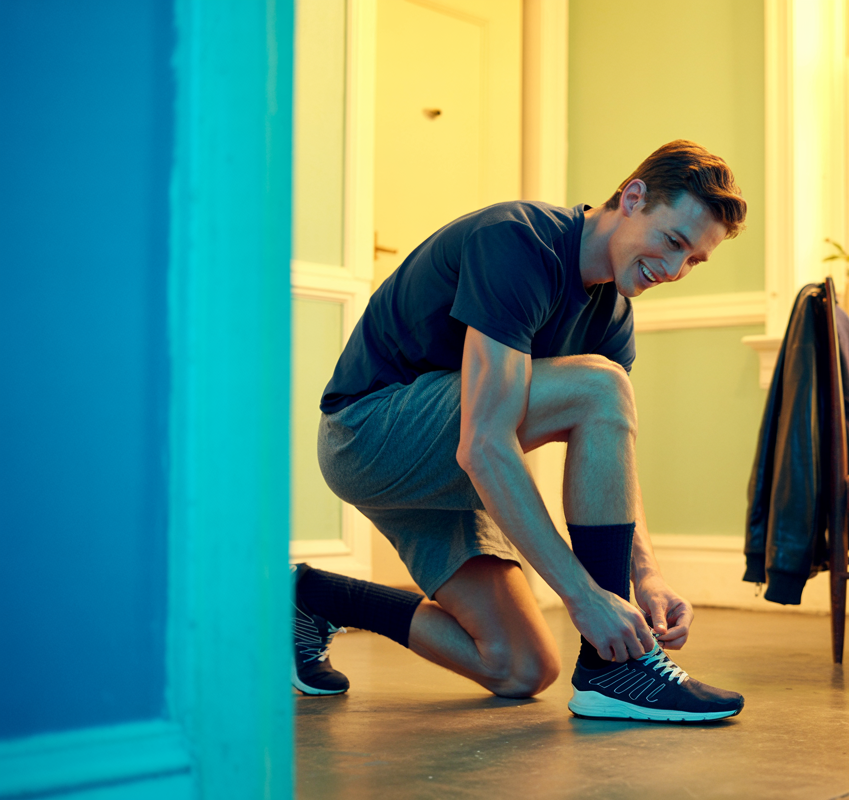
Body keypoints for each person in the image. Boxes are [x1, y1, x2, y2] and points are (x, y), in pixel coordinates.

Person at [292, 140, 747, 723]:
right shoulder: (518, 241)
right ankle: (612, 671)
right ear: (633, 198)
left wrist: (648, 574)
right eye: (674, 242)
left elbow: (612, 454)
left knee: (522, 668)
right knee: (601, 387)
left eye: (694, 261)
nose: (676, 269)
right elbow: (483, 443)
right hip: (368, 435)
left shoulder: (612, 316)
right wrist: (585, 599)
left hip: (441, 466)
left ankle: (310, 597)